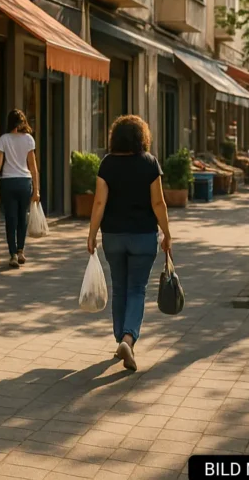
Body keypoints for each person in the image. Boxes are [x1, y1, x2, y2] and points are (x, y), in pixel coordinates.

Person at [86, 115, 172, 372]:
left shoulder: (107, 164)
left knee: (120, 288)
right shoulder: (150, 163)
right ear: (142, 137)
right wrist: (167, 233)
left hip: (113, 237)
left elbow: (99, 203)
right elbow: (158, 203)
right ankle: (128, 338)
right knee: (137, 289)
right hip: (144, 237)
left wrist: (91, 235)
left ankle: (120, 339)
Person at [0, 110, 40, 269]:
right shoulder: (29, 140)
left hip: (8, 182)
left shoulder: (3, 139)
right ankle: (21, 250)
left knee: (11, 219)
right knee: (22, 217)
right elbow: (33, 166)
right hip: (25, 182)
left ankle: (12, 255)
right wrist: (36, 189)